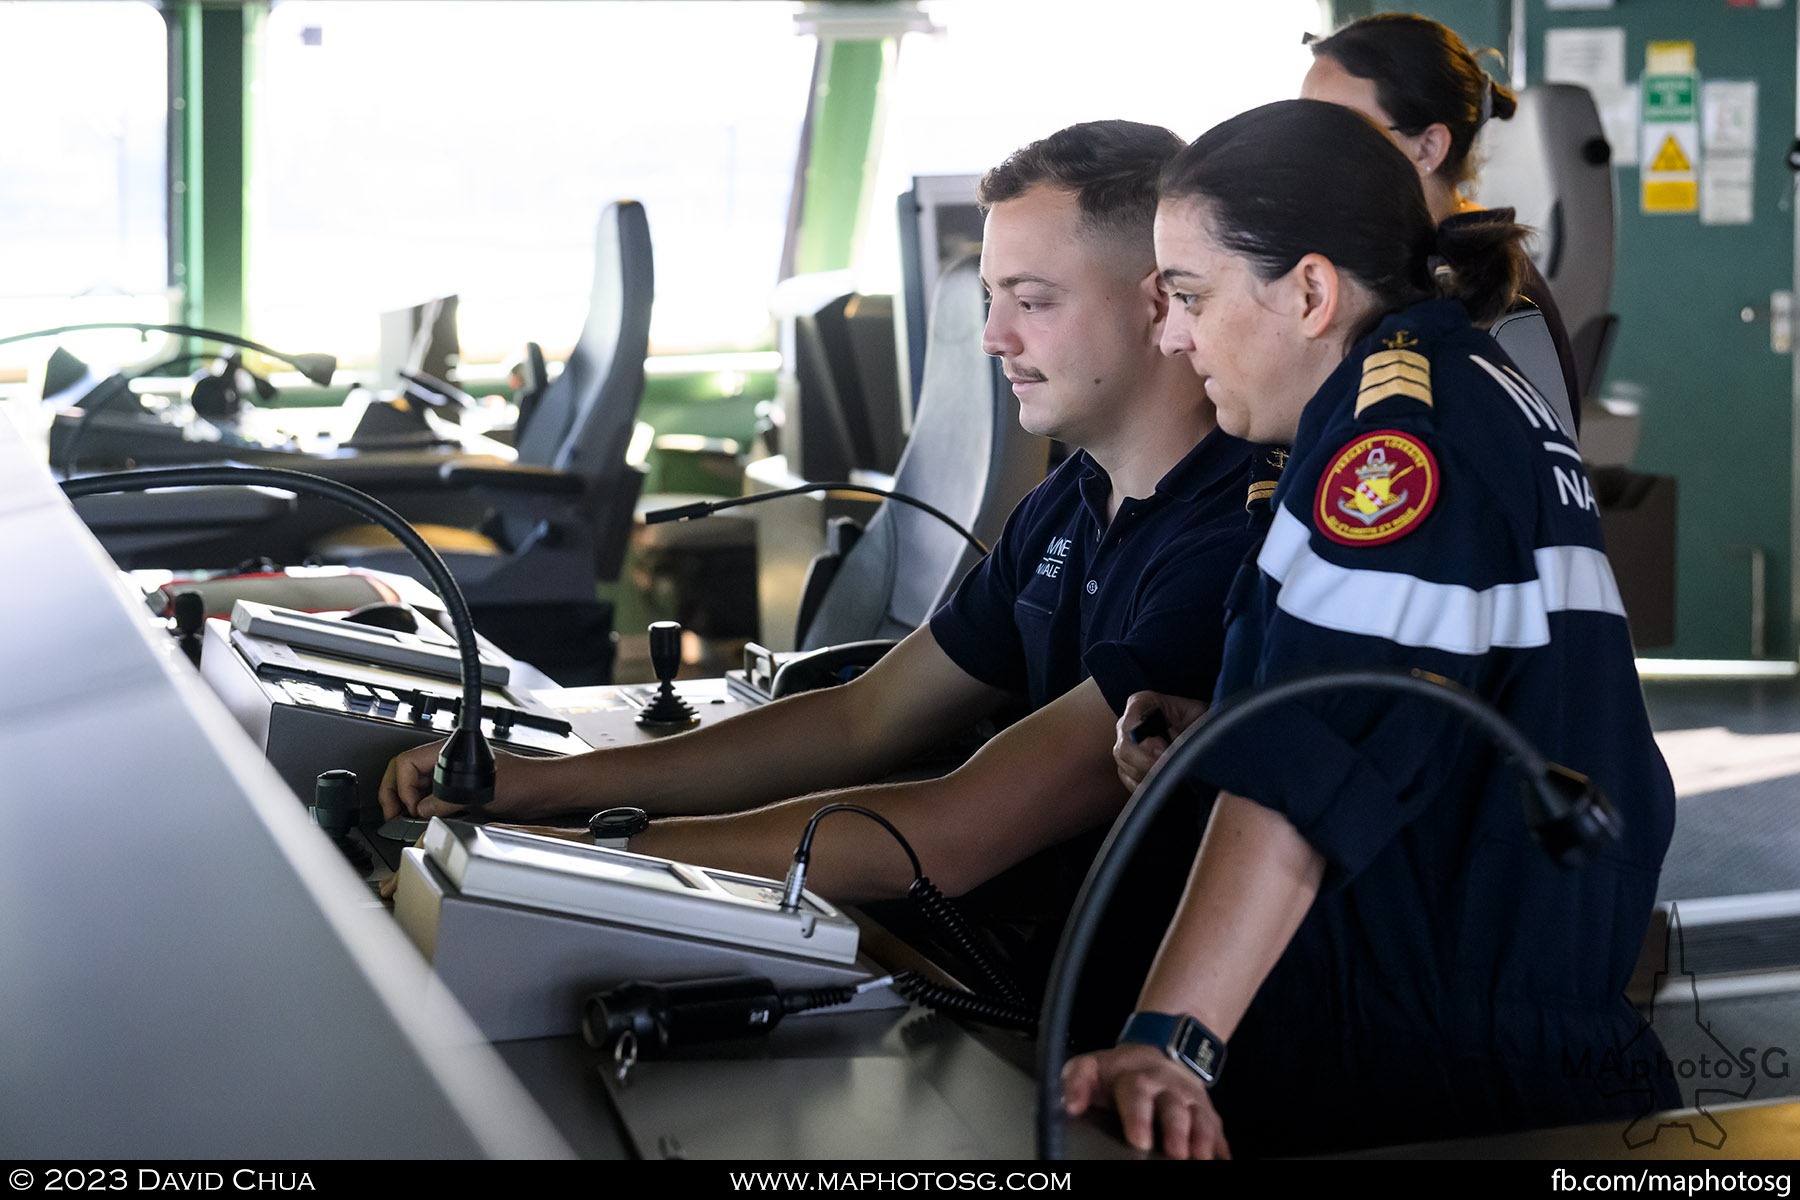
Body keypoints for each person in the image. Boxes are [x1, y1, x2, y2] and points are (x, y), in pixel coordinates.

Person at [381, 120, 1259, 1031]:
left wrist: (598, 853)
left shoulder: (1232, 539)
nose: (993, 337)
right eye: (991, 298)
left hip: (1120, 1027)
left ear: (1162, 306)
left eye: (1032, 301)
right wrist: (546, 786)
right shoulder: (1072, 498)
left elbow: (953, 834)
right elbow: (864, 716)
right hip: (1024, 966)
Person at [1062, 98, 1677, 1159]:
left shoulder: (1396, 445)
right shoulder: (1437, 391)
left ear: (1309, 290)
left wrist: (1169, 1041)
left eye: (1194, 295)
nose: (1170, 334)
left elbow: (1311, 763)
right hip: (1456, 1014)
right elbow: (1405, 693)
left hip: (1445, 1074)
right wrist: (1224, 722)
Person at [1301, 12, 1583, 427]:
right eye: (1304, 131)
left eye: (1343, 132)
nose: (1308, 155)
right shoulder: (1382, 264)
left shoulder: (1483, 284)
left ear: (1429, 146)